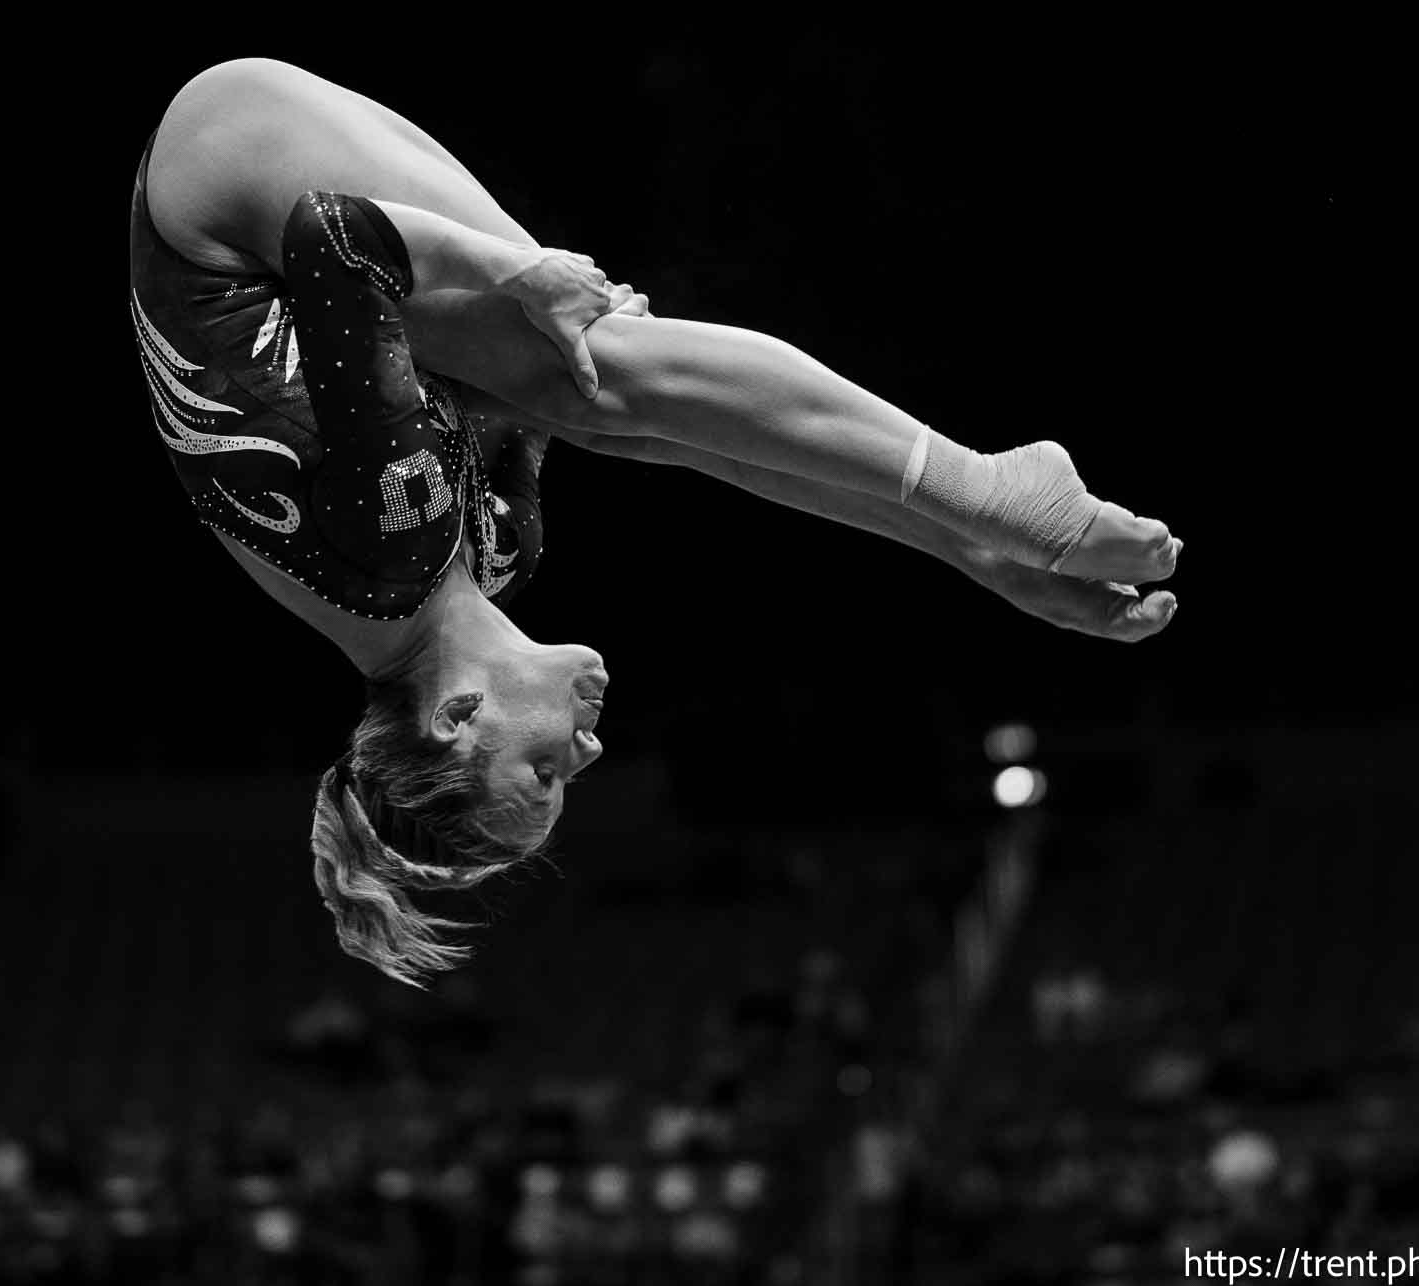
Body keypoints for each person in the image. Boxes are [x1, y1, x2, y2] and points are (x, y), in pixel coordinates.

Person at [128, 58, 1183, 986]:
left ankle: (988, 487)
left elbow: (332, 234)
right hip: (290, 244)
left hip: (220, 177)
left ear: (457, 717)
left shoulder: (384, 544)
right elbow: (705, 439)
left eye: (544, 769)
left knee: (596, 376)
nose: (586, 750)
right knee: (614, 413)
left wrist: (511, 273)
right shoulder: (482, 558)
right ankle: (980, 517)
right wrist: (973, 560)